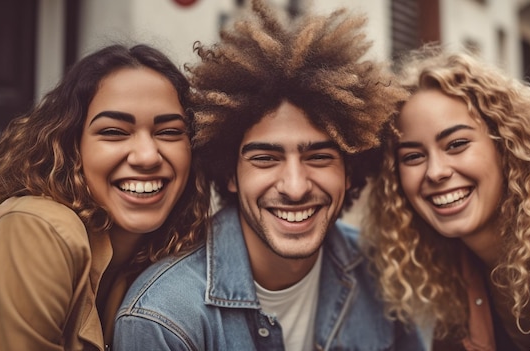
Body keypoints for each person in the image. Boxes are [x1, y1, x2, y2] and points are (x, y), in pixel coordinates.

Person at [113, 1, 424, 350]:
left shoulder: (383, 275)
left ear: (349, 171)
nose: (294, 187)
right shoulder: (165, 318)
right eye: (265, 158)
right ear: (231, 174)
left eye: (319, 157)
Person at [362, 44, 530, 351]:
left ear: (505, 145)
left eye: (456, 144)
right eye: (413, 156)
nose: (436, 172)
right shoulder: (451, 283)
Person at [0, 44, 211, 351]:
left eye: (169, 132)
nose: (147, 156)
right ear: (70, 146)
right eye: (115, 132)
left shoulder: (154, 254)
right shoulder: (37, 229)